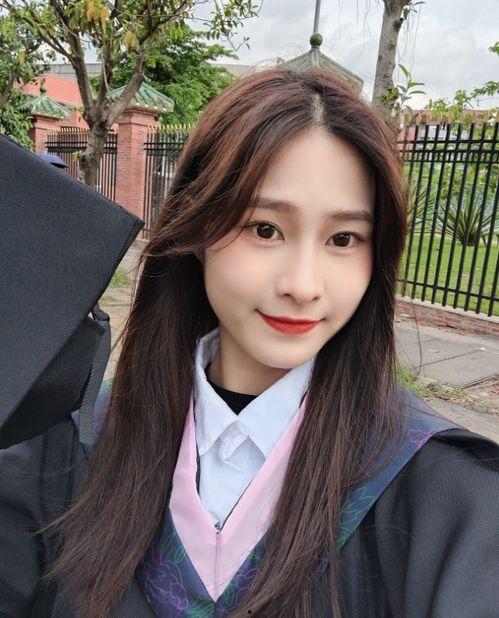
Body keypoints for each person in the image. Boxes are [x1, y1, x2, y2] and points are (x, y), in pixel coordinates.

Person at [1, 66, 498, 618]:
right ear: (198, 230)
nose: (303, 286)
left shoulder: (446, 498)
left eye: (343, 239)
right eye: (265, 229)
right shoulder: (66, 450)